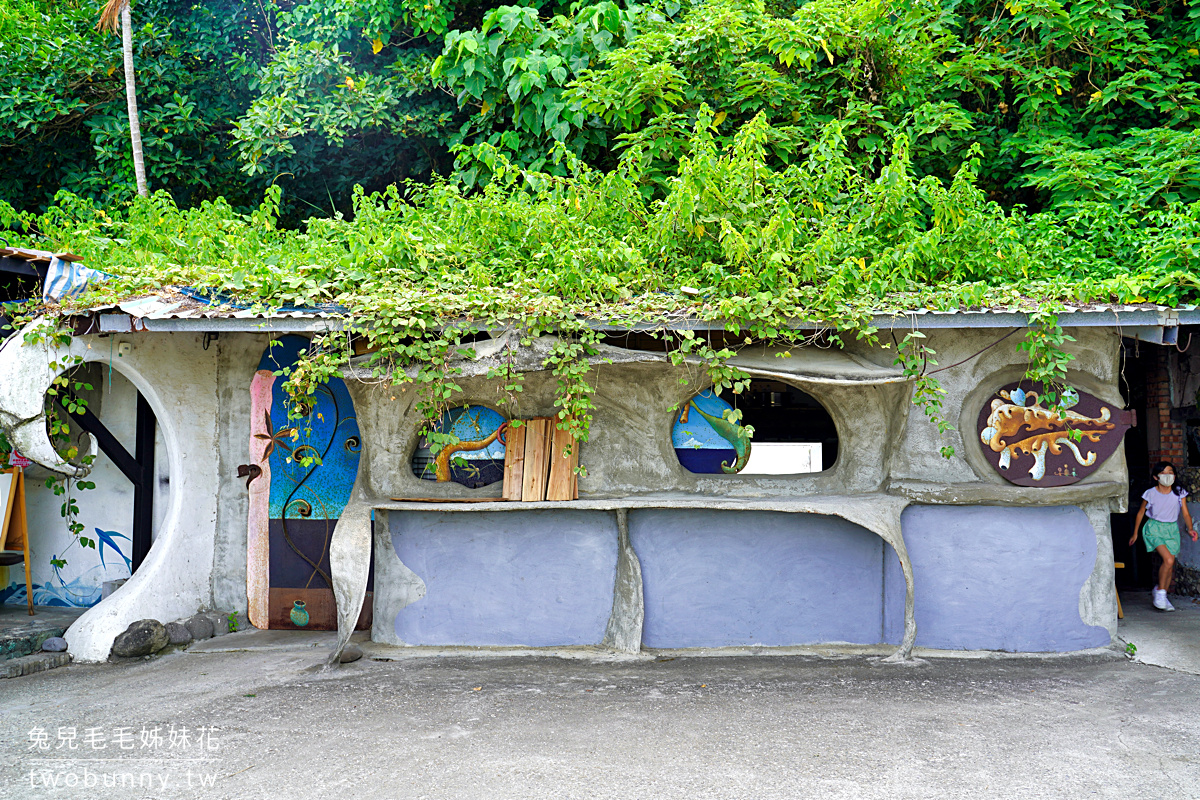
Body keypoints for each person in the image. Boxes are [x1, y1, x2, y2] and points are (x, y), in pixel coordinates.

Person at [1129, 461, 1198, 611]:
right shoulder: (1151, 493)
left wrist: (1190, 528)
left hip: (1171, 530)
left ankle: (1162, 594)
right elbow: (1141, 513)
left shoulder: (1179, 492)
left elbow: (1185, 513)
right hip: (1154, 528)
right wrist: (1135, 533)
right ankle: (1160, 593)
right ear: (1156, 477)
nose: (1168, 476)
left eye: (1171, 472)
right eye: (1164, 473)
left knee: (1170, 562)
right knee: (1168, 559)